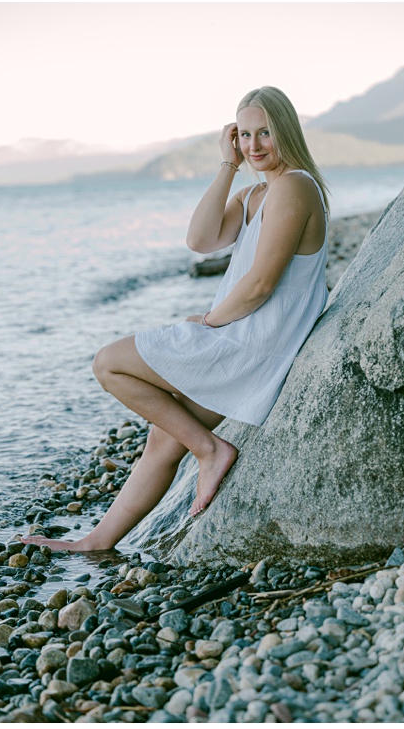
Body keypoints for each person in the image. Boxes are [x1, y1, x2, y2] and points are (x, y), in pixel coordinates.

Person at [22, 86, 330, 553]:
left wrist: (209, 322)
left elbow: (261, 283)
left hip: (250, 344)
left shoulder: (295, 186)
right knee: (163, 439)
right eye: (244, 135)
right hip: (250, 343)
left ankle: (210, 450)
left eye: (265, 132)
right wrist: (226, 167)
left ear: (286, 130)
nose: (254, 146)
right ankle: (97, 542)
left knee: (109, 363)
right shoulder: (255, 194)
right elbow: (200, 239)